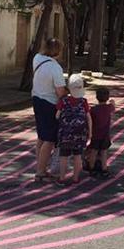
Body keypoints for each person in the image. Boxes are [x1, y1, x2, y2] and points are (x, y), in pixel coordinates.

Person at [31, 38, 67, 181]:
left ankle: (40, 166)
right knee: (49, 139)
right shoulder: (55, 68)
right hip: (49, 103)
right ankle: (40, 171)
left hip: (36, 99)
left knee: (41, 136)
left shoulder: (37, 58)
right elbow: (60, 92)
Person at [55, 74, 91, 185]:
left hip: (65, 134)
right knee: (77, 156)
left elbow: (57, 115)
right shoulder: (83, 102)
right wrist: (90, 132)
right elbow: (88, 117)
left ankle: (62, 178)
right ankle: (75, 178)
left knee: (64, 156)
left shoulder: (63, 101)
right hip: (80, 134)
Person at [86, 87, 115, 178]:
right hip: (105, 134)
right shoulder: (109, 108)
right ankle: (104, 169)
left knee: (93, 151)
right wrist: (112, 102)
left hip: (95, 134)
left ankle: (91, 168)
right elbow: (113, 107)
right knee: (104, 152)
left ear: (96, 97)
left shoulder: (94, 110)